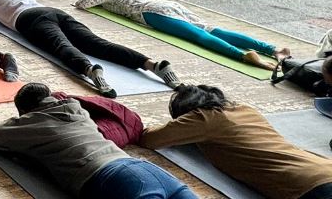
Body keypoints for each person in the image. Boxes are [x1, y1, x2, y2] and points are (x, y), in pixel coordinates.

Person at [0, 83, 196, 199]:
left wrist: (18, 122)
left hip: (113, 179)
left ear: (25, 111)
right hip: (146, 169)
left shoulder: (29, 124)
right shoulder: (75, 108)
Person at [0, 0, 180, 97]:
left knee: (60, 45)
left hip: (30, 20)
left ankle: (89, 70)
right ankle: (152, 64)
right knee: (96, 43)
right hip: (54, 11)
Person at [141, 84, 332, 199]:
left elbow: (150, 138)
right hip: (323, 168)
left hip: (307, 184)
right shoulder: (244, 109)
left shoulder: (203, 117)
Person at [75, 0, 290, 70]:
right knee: (212, 28)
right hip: (168, 5)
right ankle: (272, 49)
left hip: (151, 13)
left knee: (198, 36)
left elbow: (83, 4)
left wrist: (94, 0)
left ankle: (242, 55)